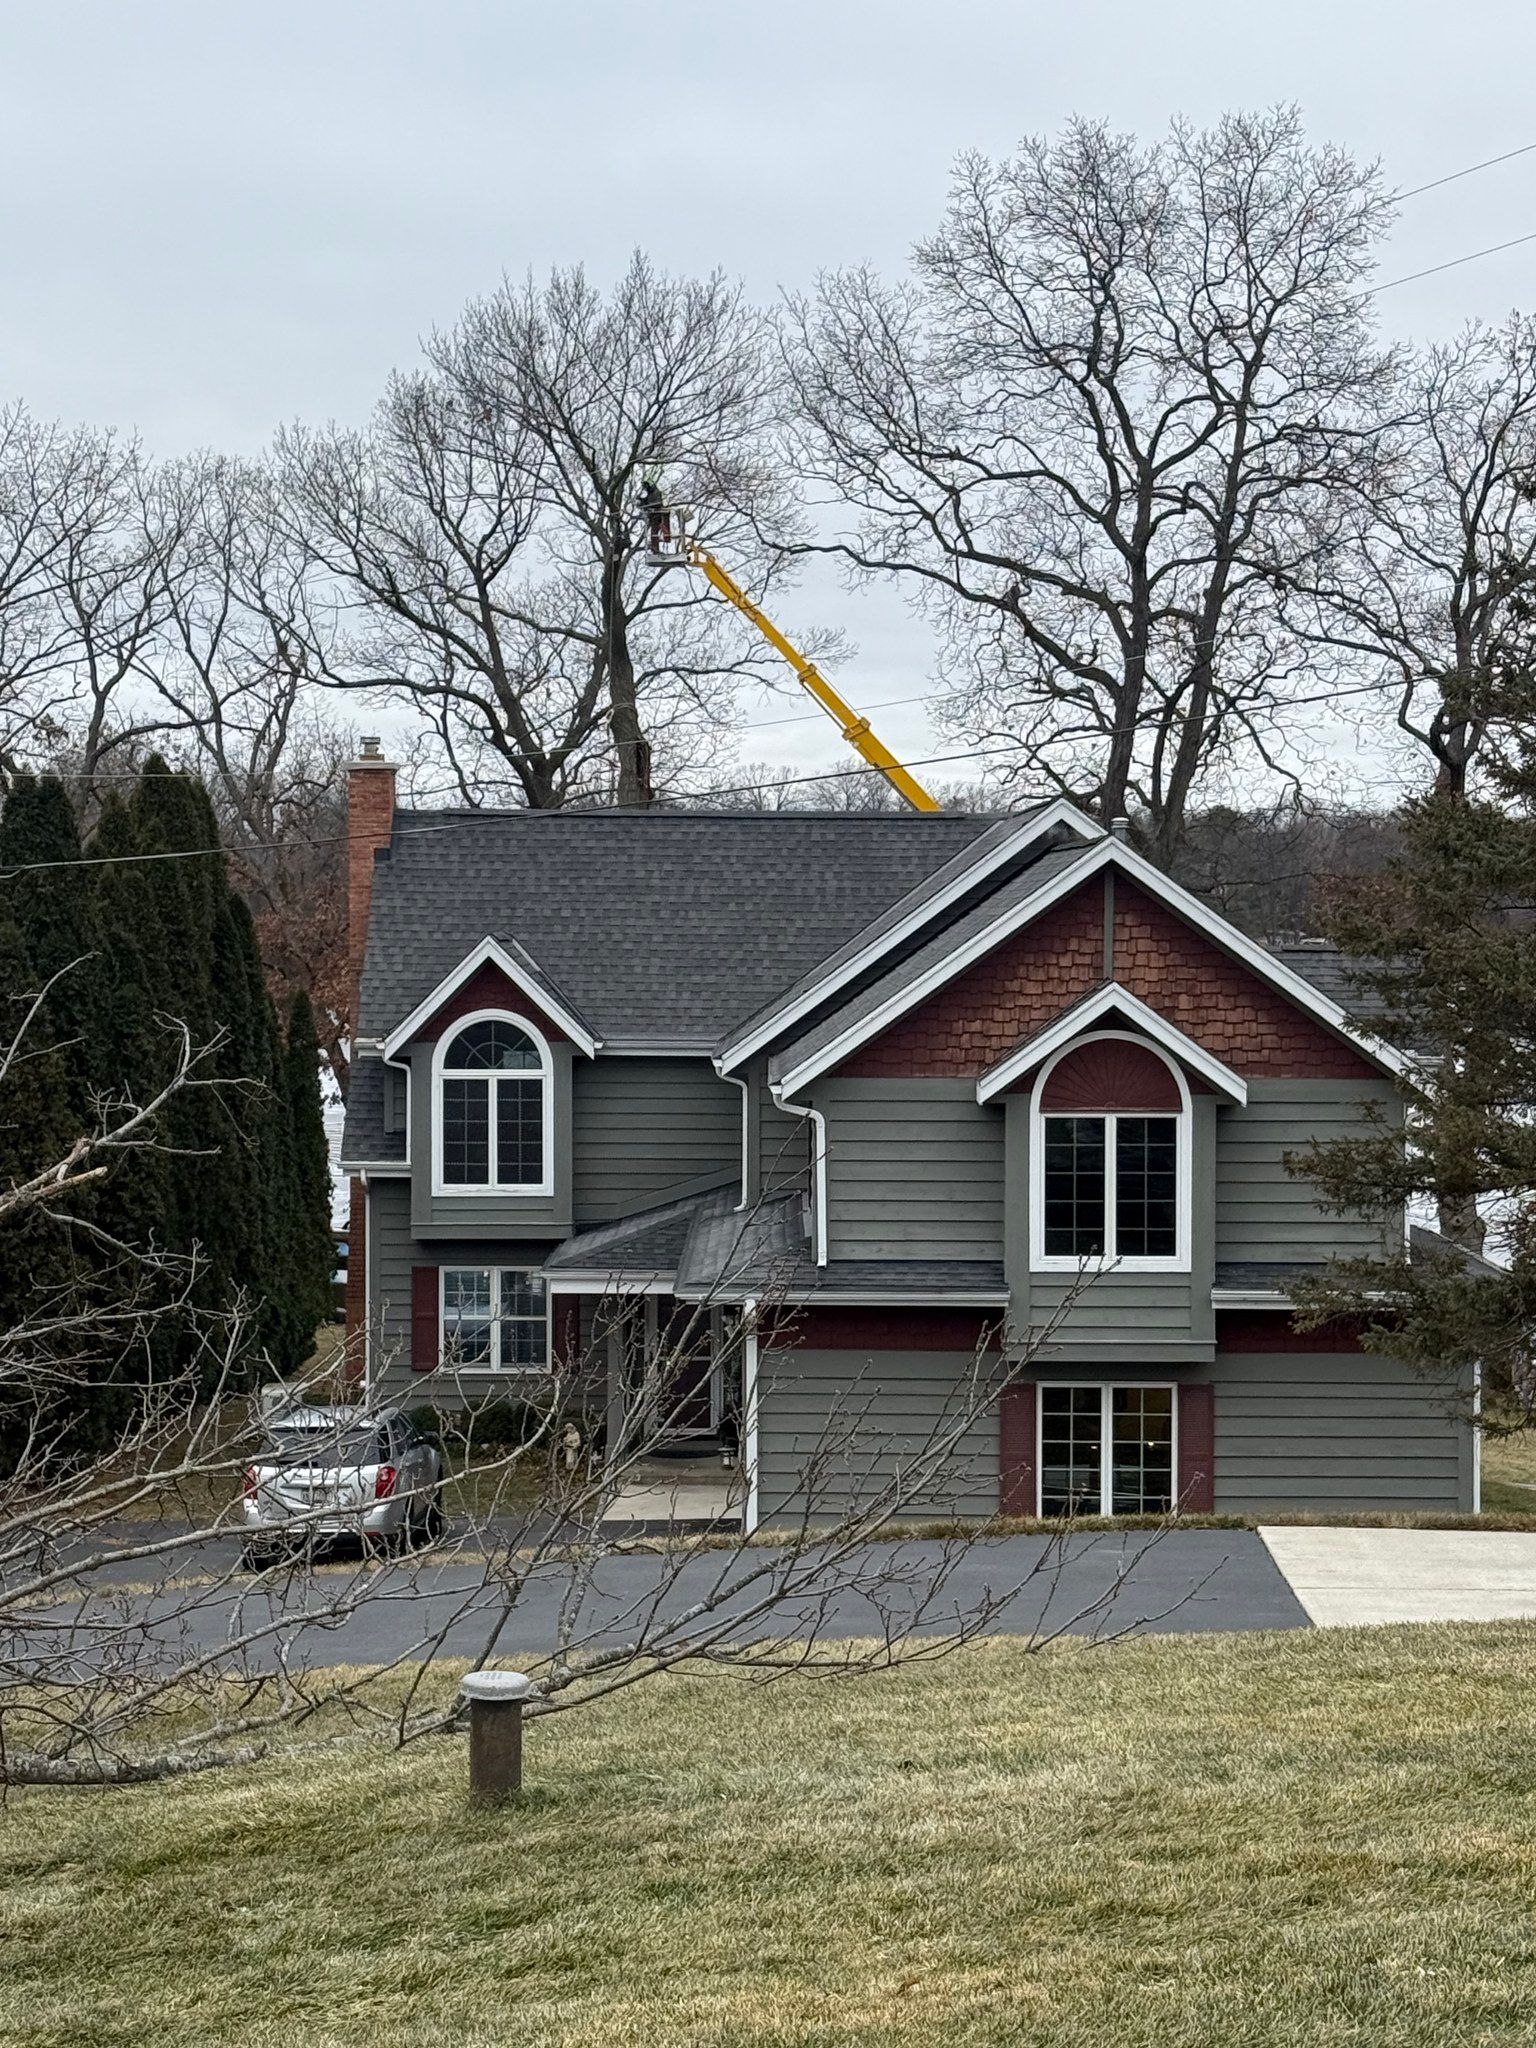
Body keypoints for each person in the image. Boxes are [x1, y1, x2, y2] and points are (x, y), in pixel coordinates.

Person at [639, 473, 672, 553]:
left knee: (660, 531)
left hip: (660, 514)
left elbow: (658, 503)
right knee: (653, 533)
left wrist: (647, 506)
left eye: (646, 487)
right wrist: (641, 500)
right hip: (654, 515)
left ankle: (663, 542)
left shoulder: (656, 492)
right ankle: (655, 550)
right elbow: (646, 502)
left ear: (649, 485)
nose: (645, 489)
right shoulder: (650, 493)